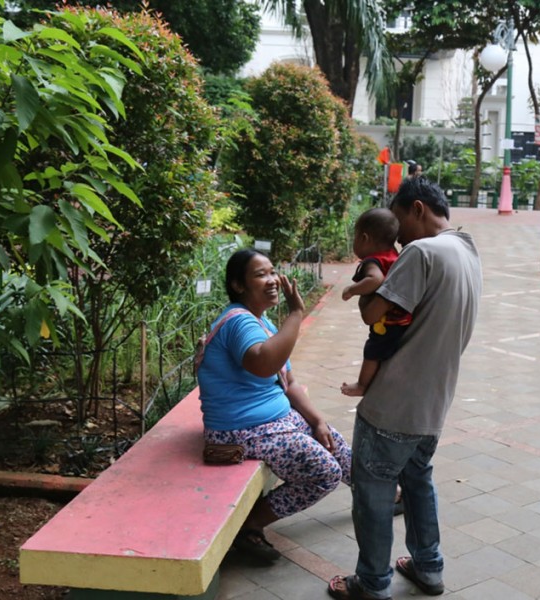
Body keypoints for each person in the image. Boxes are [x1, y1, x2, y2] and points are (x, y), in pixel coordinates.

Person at [328, 178, 482, 600]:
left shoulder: (421, 252)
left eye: (398, 222)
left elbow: (371, 313)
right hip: (434, 404)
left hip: (393, 405)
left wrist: (364, 287)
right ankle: (429, 568)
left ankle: (372, 583)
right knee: (417, 483)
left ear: (417, 209)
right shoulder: (467, 250)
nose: (395, 237)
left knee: (373, 493)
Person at [197, 249, 351, 562]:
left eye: (272, 272)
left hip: (273, 422)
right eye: (260, 275)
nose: (272, 280)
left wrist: (317, 421)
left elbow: (288, 382)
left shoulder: (261, 320)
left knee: (334, 442)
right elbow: (263, 364)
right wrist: (296, 314)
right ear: (239, 285)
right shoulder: (239, 323)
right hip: (241, 430)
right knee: (325, 472)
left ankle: (381, 496)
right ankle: (247, 525)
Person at [340, 208, 412, 397]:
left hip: (388, 322)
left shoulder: (372, 261)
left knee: (373, 350)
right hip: (404, 317)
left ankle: (362, 385)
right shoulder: (395, 255)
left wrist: (352, 290)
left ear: (364, 238)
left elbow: (375, 279)